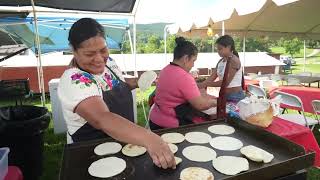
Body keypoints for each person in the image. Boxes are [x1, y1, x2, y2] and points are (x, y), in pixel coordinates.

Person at [58, 18, 175, 169]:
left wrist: (140, 81)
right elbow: (101, 117)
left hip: (126, 145)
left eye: (103, 50)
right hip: (93, 155)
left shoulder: (110, 62)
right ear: (73, 50)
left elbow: (118, 83)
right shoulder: (73, 80)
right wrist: (150, 138)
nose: (99, 59)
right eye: (89, 54)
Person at [149, 37, 217, 130]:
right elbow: (200, 105)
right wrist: (214, 102)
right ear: (185, 58)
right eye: (193, 60)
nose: (193, 65)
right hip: (171, 126)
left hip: (155, 120)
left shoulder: (165, 70)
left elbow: (176, 92)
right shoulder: (184, 77)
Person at [198, 35, 245, 103]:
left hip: (235, 96)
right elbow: (211, 77)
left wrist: (204, 84)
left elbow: (225, 82)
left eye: (220, 49)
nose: (218, 51)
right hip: (224, 94)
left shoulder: (234, 60)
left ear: (228, 47)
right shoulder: (220, 61)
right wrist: (201, 84)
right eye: (217, 49)